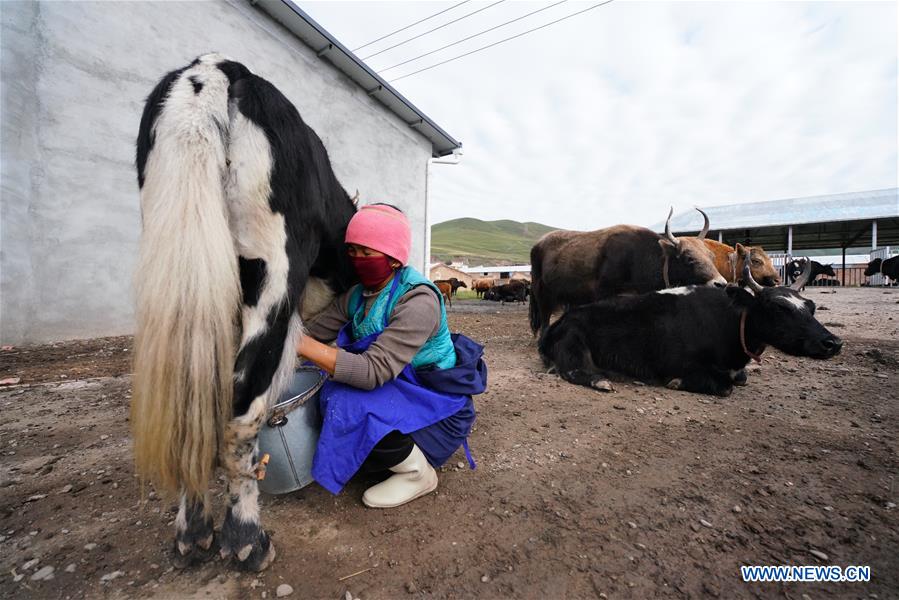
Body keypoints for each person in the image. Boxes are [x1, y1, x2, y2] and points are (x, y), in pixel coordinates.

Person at [297, 203, 486, 508]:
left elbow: (371, 372)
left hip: (437, 409)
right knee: (324, 383)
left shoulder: (418, 300)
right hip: (401, 392)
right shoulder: (359, 295)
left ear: (394, 259)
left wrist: (298, 344)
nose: (357, 260)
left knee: (348, 401)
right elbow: (315, 332)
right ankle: (384, 454)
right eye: (353, 251)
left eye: (367, 252)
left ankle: (417, 472)